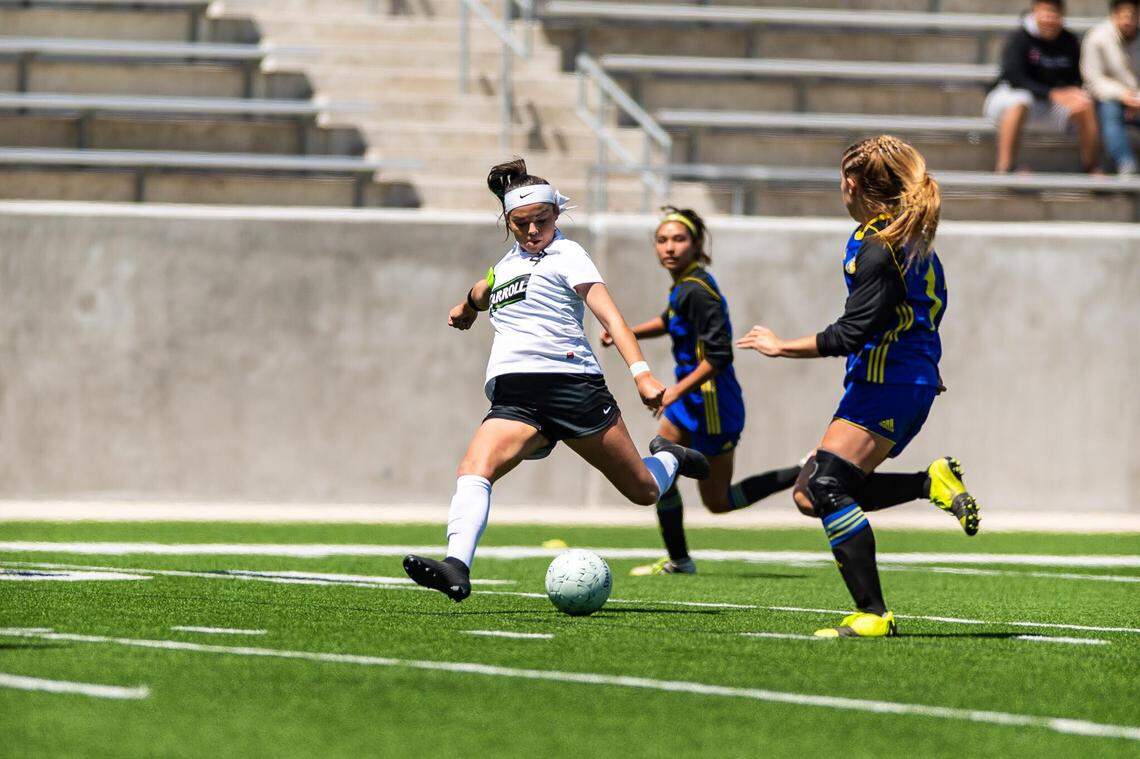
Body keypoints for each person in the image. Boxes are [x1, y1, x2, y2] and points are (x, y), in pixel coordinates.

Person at [402, 159, 710, 602]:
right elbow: (483, 289)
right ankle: (457, 564)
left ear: (556, 216)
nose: (531, 231)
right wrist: (466, 307)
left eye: (541, 222)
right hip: (516, 397)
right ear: (508, 222)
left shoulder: (569, 255)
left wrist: (641, 374)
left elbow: (612, 316)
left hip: (572, 386)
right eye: (520, 223)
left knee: (643, 490)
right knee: (474, 469)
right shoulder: (505, 264)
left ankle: (671, 458)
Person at [735, 135, 982, 639]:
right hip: (887, 379)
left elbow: (852, 332)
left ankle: (874, 614)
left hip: (893, 382)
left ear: (852, 184)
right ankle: (927, 482)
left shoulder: (880, 247)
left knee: (826, 485)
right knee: (810, 494)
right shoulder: (900, 239)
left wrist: (782, 346)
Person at [600, 207, 801, 576]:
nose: (670, 247)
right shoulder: (683, 285)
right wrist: (625, 332)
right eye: (662, 240)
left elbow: (720, 355)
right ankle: (679, 560)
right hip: (688, 402)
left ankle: (802, 470)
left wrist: (675, 390)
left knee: (719, 502)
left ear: (696, 245)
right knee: (658, 476)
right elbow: (668, 321)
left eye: (679, 239)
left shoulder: (697, 290)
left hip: (713, 404)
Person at [984, 0, 1102, 173]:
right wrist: (1051, 93)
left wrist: (1071, 93)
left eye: (1054, 13)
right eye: (1045, 13)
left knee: (1084, 103)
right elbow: (1015, 78)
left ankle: (1091, 167)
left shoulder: (1069, 41)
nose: (1049, 19)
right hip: (1010, 98)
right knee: (1019, 102)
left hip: (1048, 104)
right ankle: (1005, 167)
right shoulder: (1019, 38)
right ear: (1034, 13)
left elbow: (1075, 79)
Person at [1082, 0, 1140, 175]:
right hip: (1107, 99)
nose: (1128, 21)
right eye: (1124, 15)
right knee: (1110, 110)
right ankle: (1126, 164)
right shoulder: (1096, 37)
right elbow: (1093, 78)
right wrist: (1123, 95)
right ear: (1114, 15)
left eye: (1132, 16)